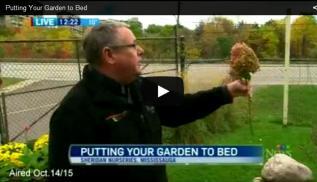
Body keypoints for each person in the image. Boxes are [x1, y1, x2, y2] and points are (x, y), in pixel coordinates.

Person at [48, 22, 251, 181]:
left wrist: (227, 92)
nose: (141, 51)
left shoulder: (142, 86)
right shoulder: (74, 111)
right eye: (134, 45)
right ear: (109, 55)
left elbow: (182, 106)